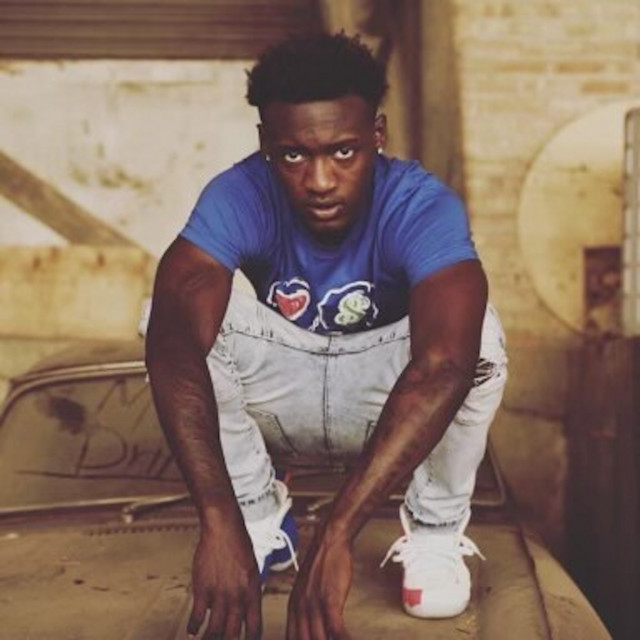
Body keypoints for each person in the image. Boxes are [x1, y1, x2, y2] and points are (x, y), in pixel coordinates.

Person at [145, 32, 507, 640]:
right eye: (293, 156)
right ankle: (260, 521)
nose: (319, 180)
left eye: (343, 152)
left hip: (387, 394)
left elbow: (443, 363)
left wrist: (335, 533)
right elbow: (174, 341)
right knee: (167, 318)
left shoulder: (421, 204)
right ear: (265, 143)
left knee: (480, 342)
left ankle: (435, 533)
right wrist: (217, 516)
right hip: (284, 384)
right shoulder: (238, 194)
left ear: (377, 134)